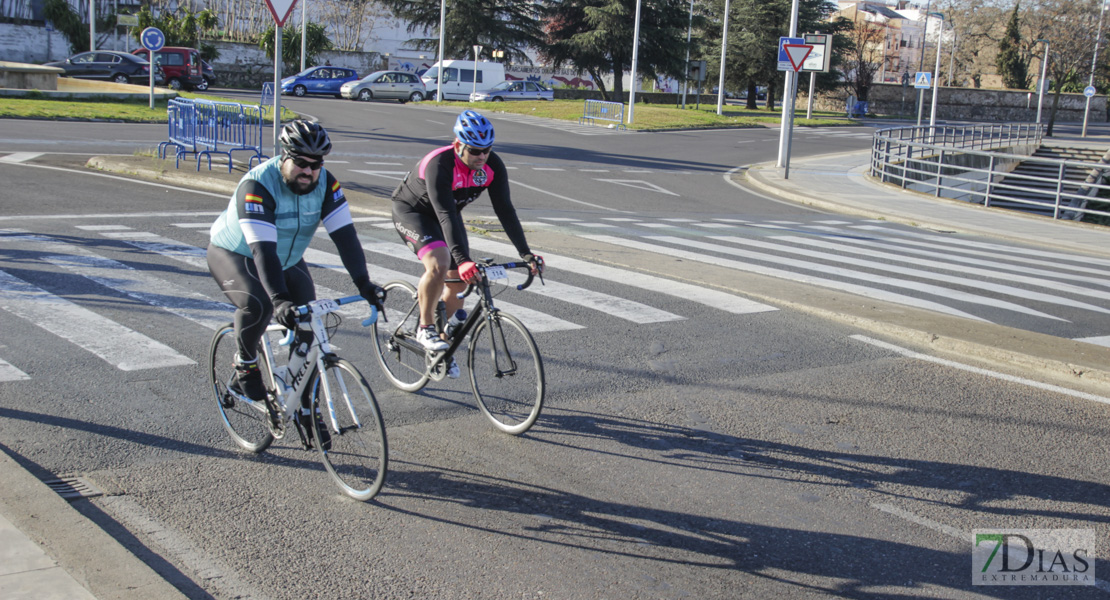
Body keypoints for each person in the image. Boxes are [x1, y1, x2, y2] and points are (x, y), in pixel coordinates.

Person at [207, 120, 384, 424]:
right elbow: (262, 250)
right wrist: (279, 300)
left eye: (316, 164)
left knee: (309, 327)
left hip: (287, 259)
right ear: (284, 157)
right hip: (237, 254)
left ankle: (304, 404)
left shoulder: (326, 184)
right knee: (259, 305)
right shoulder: (257, 185)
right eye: (301, 163)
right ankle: (246, 363)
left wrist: (364, 283)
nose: (309, 171)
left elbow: (345, 237)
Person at [390, 110, 542, 377]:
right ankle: (424, 327)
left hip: (447, 215)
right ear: (458, 144)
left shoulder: (492, 166)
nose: (481, 157)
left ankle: (441, 344)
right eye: (474, 151)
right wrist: (462, 261)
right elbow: (445, 214)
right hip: (414, 213)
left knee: (460, 282)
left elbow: (505, 210)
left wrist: (526, 253)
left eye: (486, 150)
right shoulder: (440, 164)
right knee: (440, 263)